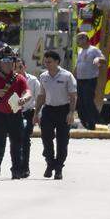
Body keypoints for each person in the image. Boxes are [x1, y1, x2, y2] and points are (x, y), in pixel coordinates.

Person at [0, 46, 31, 180]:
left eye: (10, 60)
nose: (8, 63)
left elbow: (28, 92)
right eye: (4, 60)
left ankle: (16, 170)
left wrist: (24, 99)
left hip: (15, 115)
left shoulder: (19, 78)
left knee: (16, 144)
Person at [34, 50, 77, 180]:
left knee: (62, 141)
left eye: (49, 62)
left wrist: (71, 112)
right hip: (48, 110)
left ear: (57, 62)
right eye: (45, 62)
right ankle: (50, 163)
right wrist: (36, 112)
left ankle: (58, 168)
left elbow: (73, 96)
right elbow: (41, 95)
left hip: (63, 110)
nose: (47, 64)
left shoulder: (67, 76)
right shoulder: (43, 76)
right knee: (46, 139)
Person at [74, 32, 105, 131]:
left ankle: (95, 122)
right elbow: (77, 65)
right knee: (80, 103)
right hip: (80, 80)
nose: (77, 41)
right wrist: (72, 76)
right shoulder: (80, 51)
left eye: (79, 39)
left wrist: (98, 59)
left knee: (88, 101)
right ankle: (85, 122)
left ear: (85, 39)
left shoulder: (93, 50)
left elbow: (103, 59)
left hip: (90, 79)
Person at [15, 58, 40, 179]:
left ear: (24, 67)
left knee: (25, 140)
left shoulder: (33, 80)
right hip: (14, 113)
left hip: (28, 113)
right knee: (16, 141)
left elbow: (40, 97)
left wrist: (38, 115)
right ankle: (16, 167)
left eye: (20, 67)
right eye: (16, 67)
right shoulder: (11, 80)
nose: (18, 70)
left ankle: (25, 167)